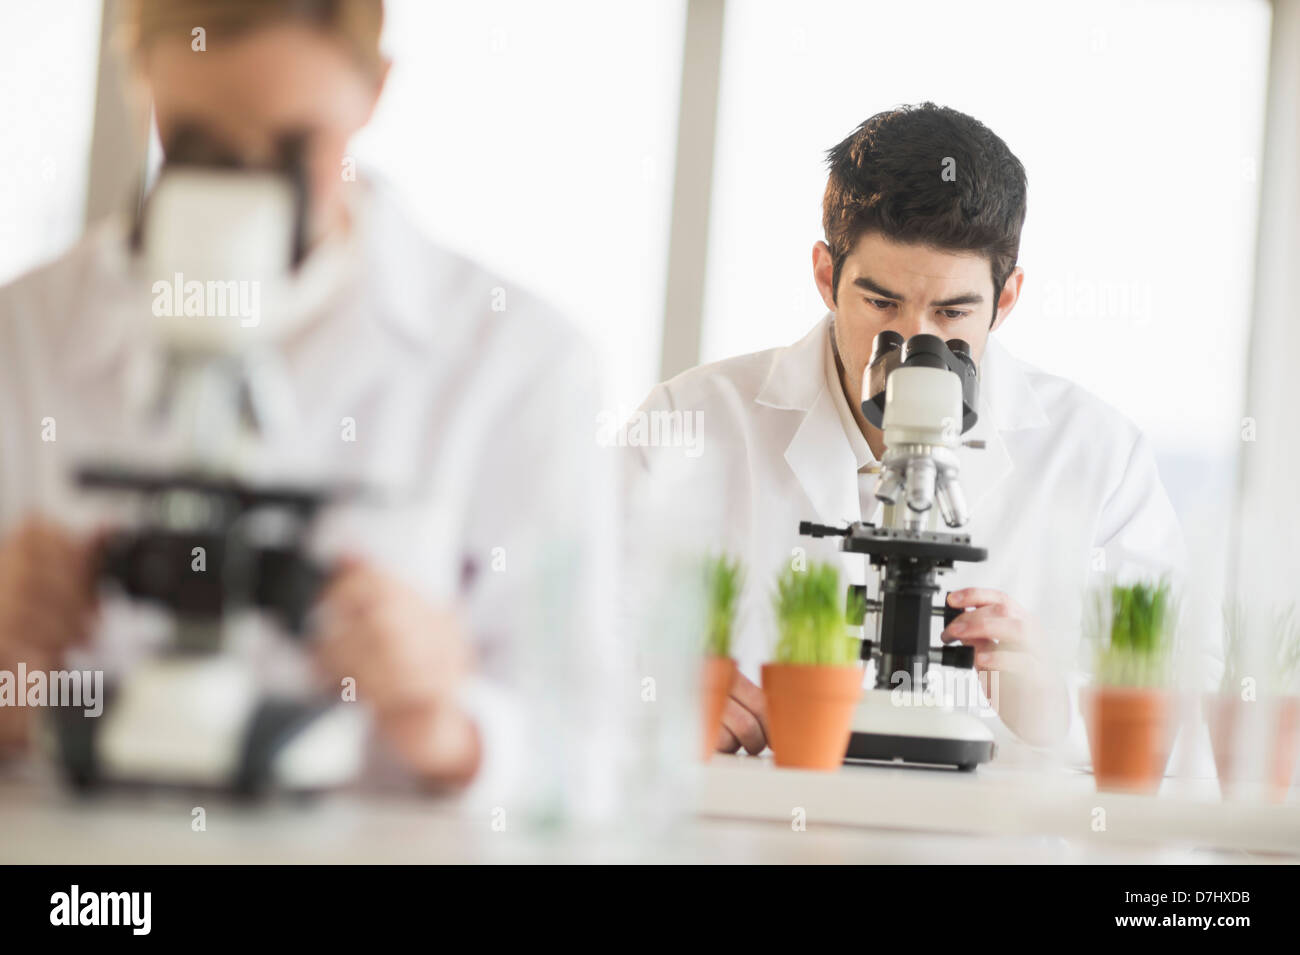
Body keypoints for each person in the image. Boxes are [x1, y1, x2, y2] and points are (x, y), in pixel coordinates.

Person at [0, 0, 614, 798]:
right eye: (199, 145)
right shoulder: (24, 335)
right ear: (142, 75)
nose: (249, 183)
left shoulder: (519, 359)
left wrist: (454, 725)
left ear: (374, 90)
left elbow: (597, 749)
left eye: (297, 145)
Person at [624, 103, 1186, 763]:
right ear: (826, 276)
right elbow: (552, 640)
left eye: (952, 311)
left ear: (1005, 299)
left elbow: (1190, 721)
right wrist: (655, 695)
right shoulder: (688, 421)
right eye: (881, 302)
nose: (916, 343)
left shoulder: (1098, 455)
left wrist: (1060, 707)